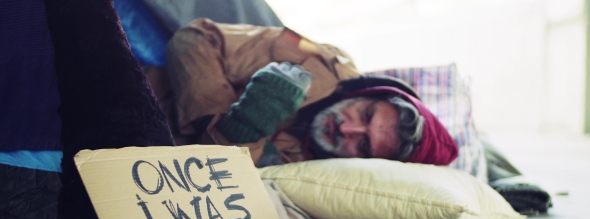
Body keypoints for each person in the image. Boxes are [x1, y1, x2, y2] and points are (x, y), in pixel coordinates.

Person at [159, 18, 458, 168]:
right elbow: (195, 38)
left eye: (364, 144)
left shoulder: (318, 179)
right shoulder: (319, 61)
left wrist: (241, 135)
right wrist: (221, 121)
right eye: (365, 114)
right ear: (367, 93)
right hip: (142, 96)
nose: (347, 127)